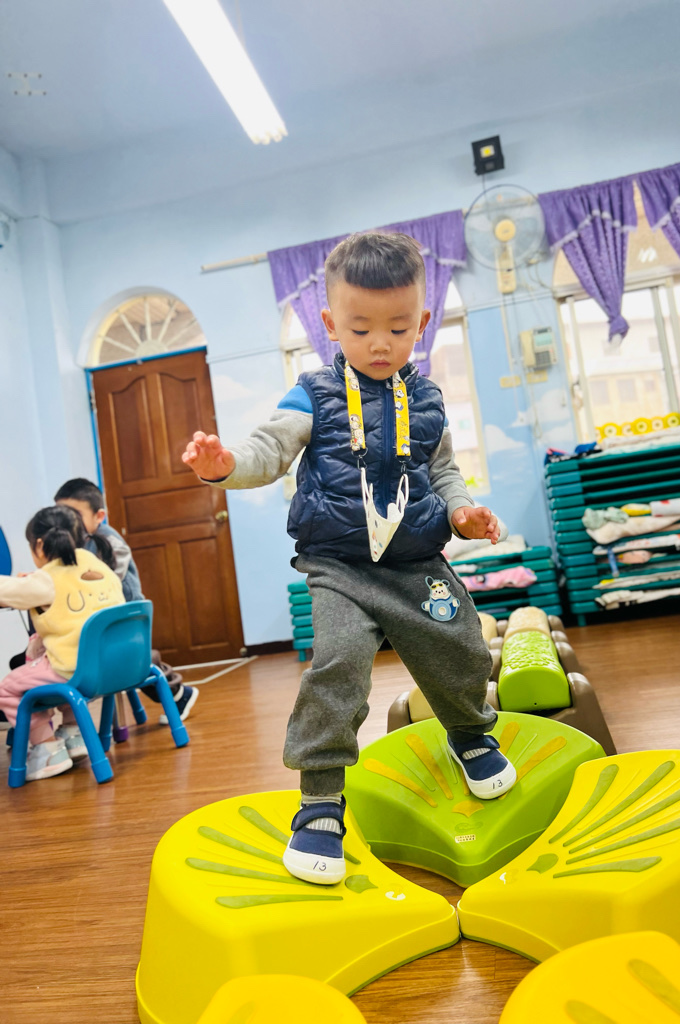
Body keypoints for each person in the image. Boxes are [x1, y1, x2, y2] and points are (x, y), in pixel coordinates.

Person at [182, 232, 515, 885]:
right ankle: (320, 799)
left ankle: (470, 733)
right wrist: (224, 466)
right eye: (361, 329)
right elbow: (268, 451)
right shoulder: (311, 393)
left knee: (461, 646)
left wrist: (461, 512)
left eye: (397, 328)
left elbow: (444, 473)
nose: (380, 343)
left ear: (422, 322)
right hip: (339, 566)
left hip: (415, 560)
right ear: (331, 325)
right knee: (337, 663)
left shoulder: (429, 402)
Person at [54, 478, 199, 722]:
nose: (66, 523)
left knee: (126, 660)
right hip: (99, 622)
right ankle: (177, 692)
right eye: (61, 515)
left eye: (74, 515)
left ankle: (177, 692)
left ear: (99, 516)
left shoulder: (108, 542)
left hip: (124, 621)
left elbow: (105, 581)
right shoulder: (72, 542)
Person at [0, 506, 124, 780]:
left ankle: (47, 748)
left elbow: (6, 590)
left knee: (7, 689)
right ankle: (73, 732)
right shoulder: (98, 564)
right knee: (56, 659)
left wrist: (30, 581)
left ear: (39, 545)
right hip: (113, 667)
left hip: (76, 671)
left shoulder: (46, 579)